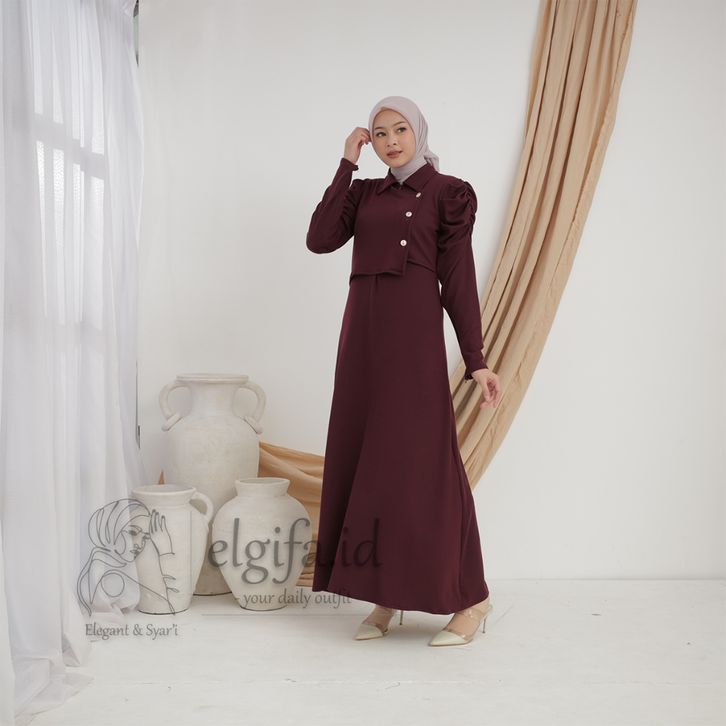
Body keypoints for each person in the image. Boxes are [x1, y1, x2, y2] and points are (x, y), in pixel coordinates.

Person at [307, 95, 502, 646]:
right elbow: (319, 239)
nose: (391, 141)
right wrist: (346, 163)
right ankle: (386, 594)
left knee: (425, 467)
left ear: (418, 131)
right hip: (362, 340)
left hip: (413, 343)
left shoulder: (448, 193)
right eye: (379, 133)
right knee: (370, 462)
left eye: (400, 129)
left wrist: (476, 360)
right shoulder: (365, 192)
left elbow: (457, 278)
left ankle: (472, 599)